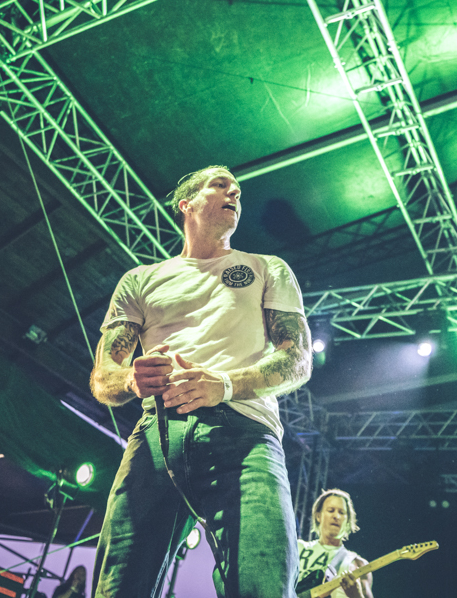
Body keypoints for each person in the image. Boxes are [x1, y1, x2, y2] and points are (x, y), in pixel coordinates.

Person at [90, 165, 312, 598]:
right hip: (157, 432)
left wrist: (223, 384)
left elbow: (297, 359)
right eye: (221, 184)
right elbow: (103, 377)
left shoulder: (267, 268)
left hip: (245, 432)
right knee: (119, 586)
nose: (234, 193)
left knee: (263, 585)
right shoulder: (140, 280)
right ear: (186, 204)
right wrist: (132, 380)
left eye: (238, 190)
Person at [297, 490, 374, 598]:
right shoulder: (297, 548)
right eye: (331, 510)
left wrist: (356, 596)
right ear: (318, 516)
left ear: (348, 521)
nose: (336, 516)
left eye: (341, 512)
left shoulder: (357, 564)